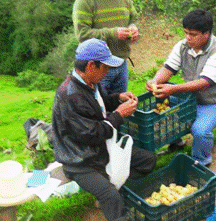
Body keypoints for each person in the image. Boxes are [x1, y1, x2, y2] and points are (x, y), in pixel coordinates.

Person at [52, 38, 156, 221]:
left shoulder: (89, 82)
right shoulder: (70, 96)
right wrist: (119, 114)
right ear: (91, 65)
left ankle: (114, 184)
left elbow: (97, 105)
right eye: (105, 67)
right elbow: (92, 134)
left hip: (100, 149)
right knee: (111, 197)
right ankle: (109, 192)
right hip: (80, 159)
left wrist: (117, 98)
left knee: (148, 161)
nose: (108, 71)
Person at [145, 8, 216, 167]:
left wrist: (172, 89)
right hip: (190, 98)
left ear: (206, 34)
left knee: (200, 131)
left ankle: (201, 161)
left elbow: (203, 83)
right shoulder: (182, 46)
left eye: (193, 34)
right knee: (157, 107)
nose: (188, 38)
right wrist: (155, 81)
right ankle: (175, 142)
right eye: (185, 32)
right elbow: (168, 68)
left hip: (214, 102)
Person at [73, 0, 140, 95]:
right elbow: (82, 35)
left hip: (121, 63)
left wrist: (133, 28)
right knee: (100, 109)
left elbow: (133, 18)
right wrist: (112, 33)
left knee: (119, 106)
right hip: (97, 67)